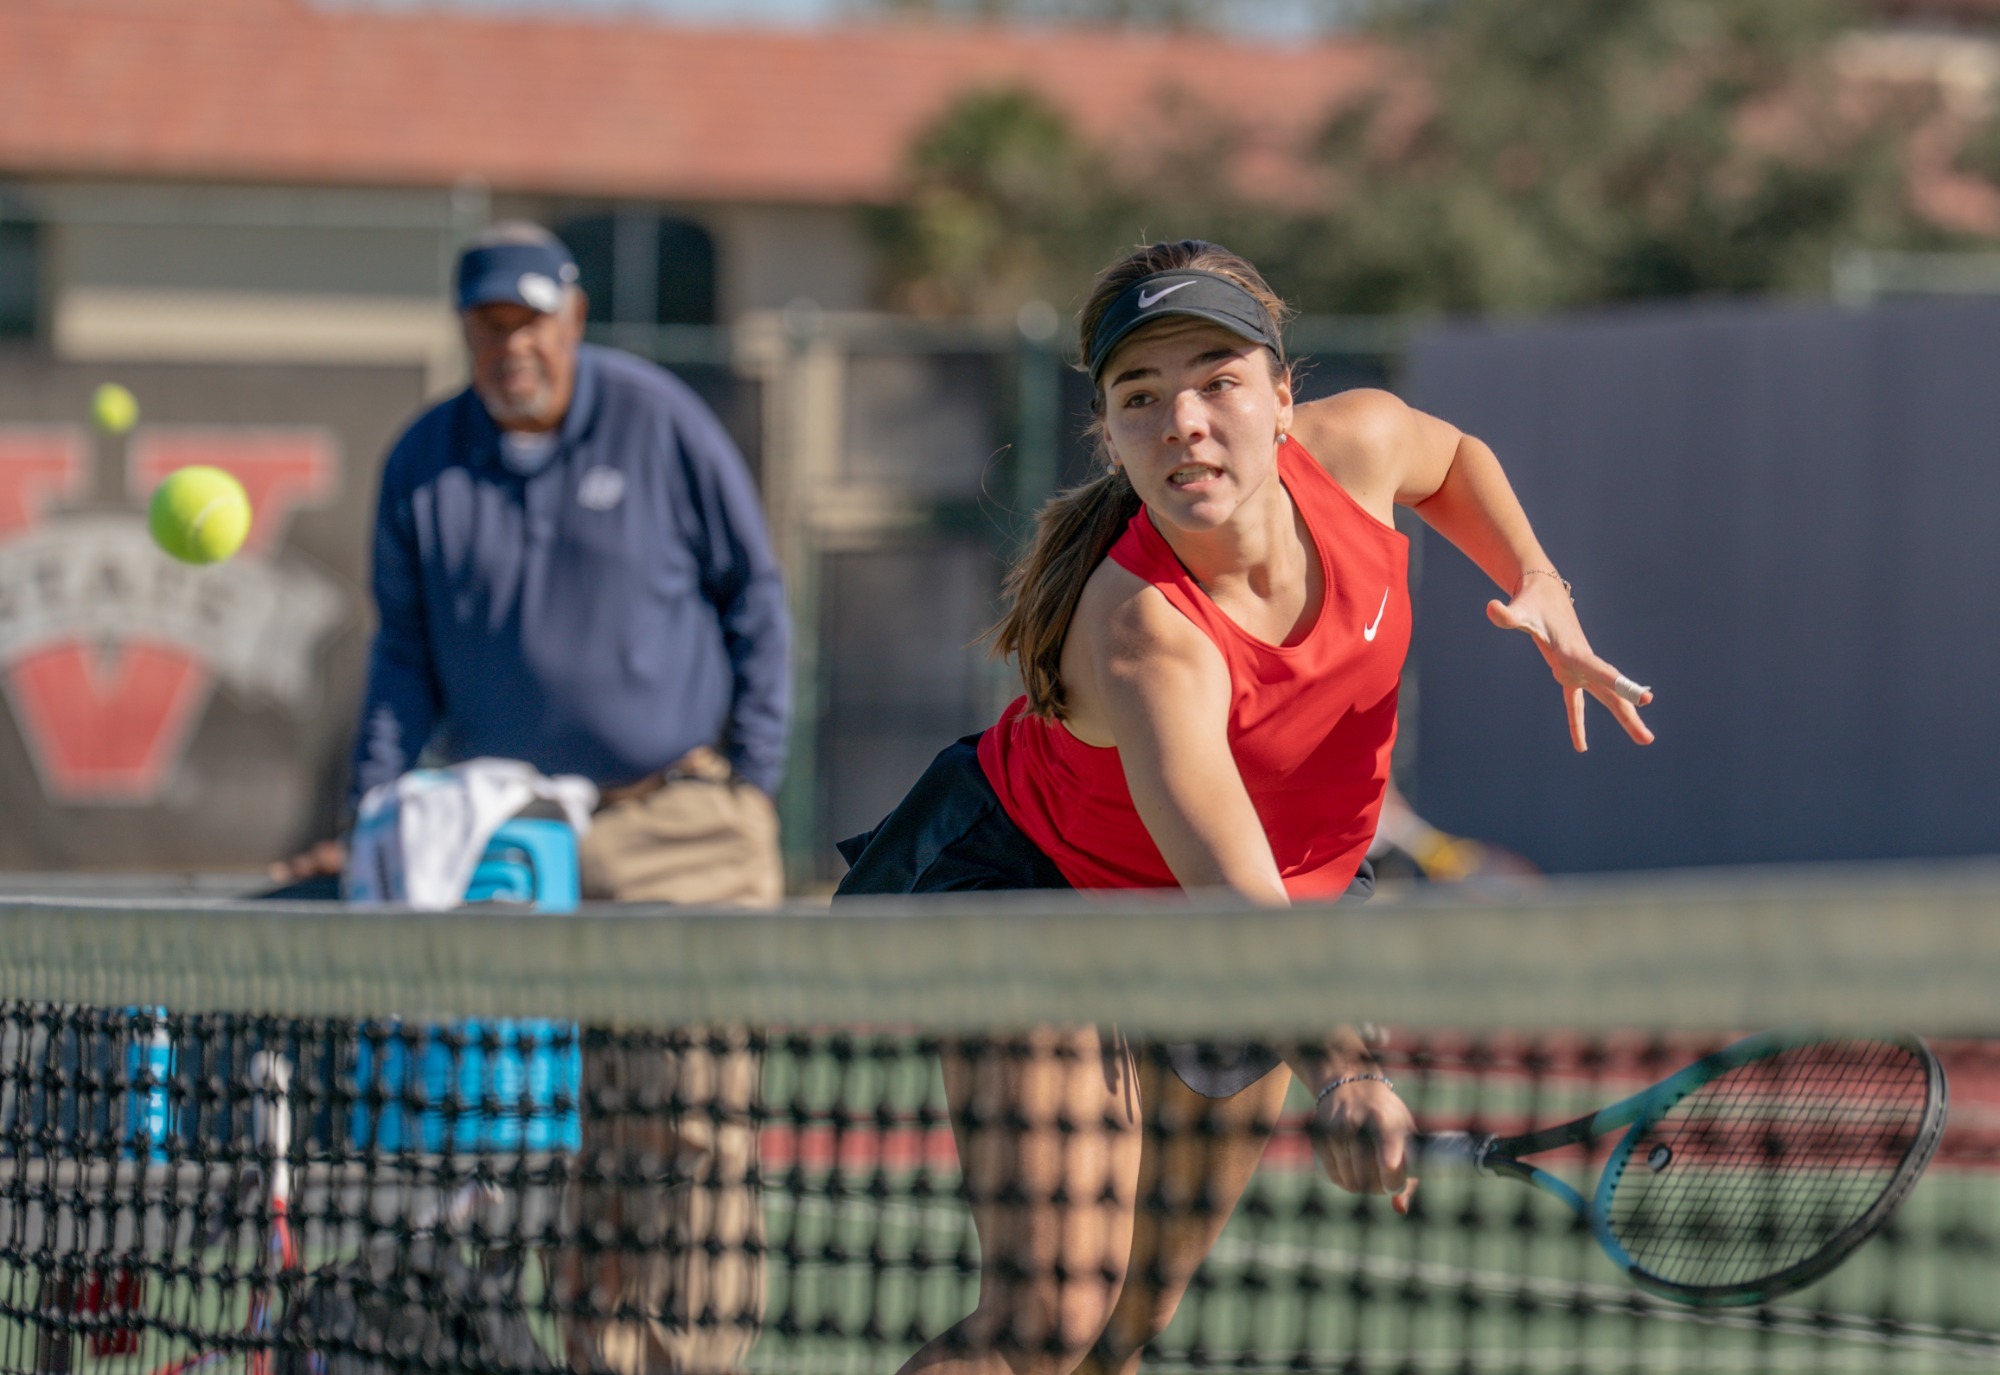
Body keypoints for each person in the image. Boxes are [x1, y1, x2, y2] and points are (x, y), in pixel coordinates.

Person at [834, 239, 1654, 1375]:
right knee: (1051, 1318)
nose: (1182, 419)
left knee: (1134, 1315)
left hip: (1275, 898)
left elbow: (1452, 458)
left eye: (1216, 379)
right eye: (1140, 397)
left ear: (1281, 399)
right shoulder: (1143, 634)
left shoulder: (1354, 449)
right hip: (1042, 895)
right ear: (1110, 435)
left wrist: (1537, 582)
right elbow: (1235, 904)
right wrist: (1349, 1072)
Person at [276, 222, 790, 1375]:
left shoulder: (658, 420)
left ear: (573, 317)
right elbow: (401, 661)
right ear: (467, 331)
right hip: (507, 848)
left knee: (691, 1124)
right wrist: (373, 816)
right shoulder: (422, 460)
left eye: (534, 320)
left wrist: (750, 786)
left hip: (682, 835)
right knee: (545, 1139)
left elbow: (754, 598)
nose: (516, 345)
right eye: (492, 324)